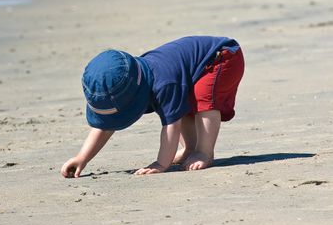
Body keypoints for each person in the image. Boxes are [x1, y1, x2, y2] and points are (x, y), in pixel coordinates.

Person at [60, 36, 245, 178]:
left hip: (222, 57)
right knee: (183, 104)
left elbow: (171, 125)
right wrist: (81, 158)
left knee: (203, 102)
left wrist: (161, 163)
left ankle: (204, 151)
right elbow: (105, 126)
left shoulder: (163, 84)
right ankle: (190, 148)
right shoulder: (135, 78)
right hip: (195, 68)